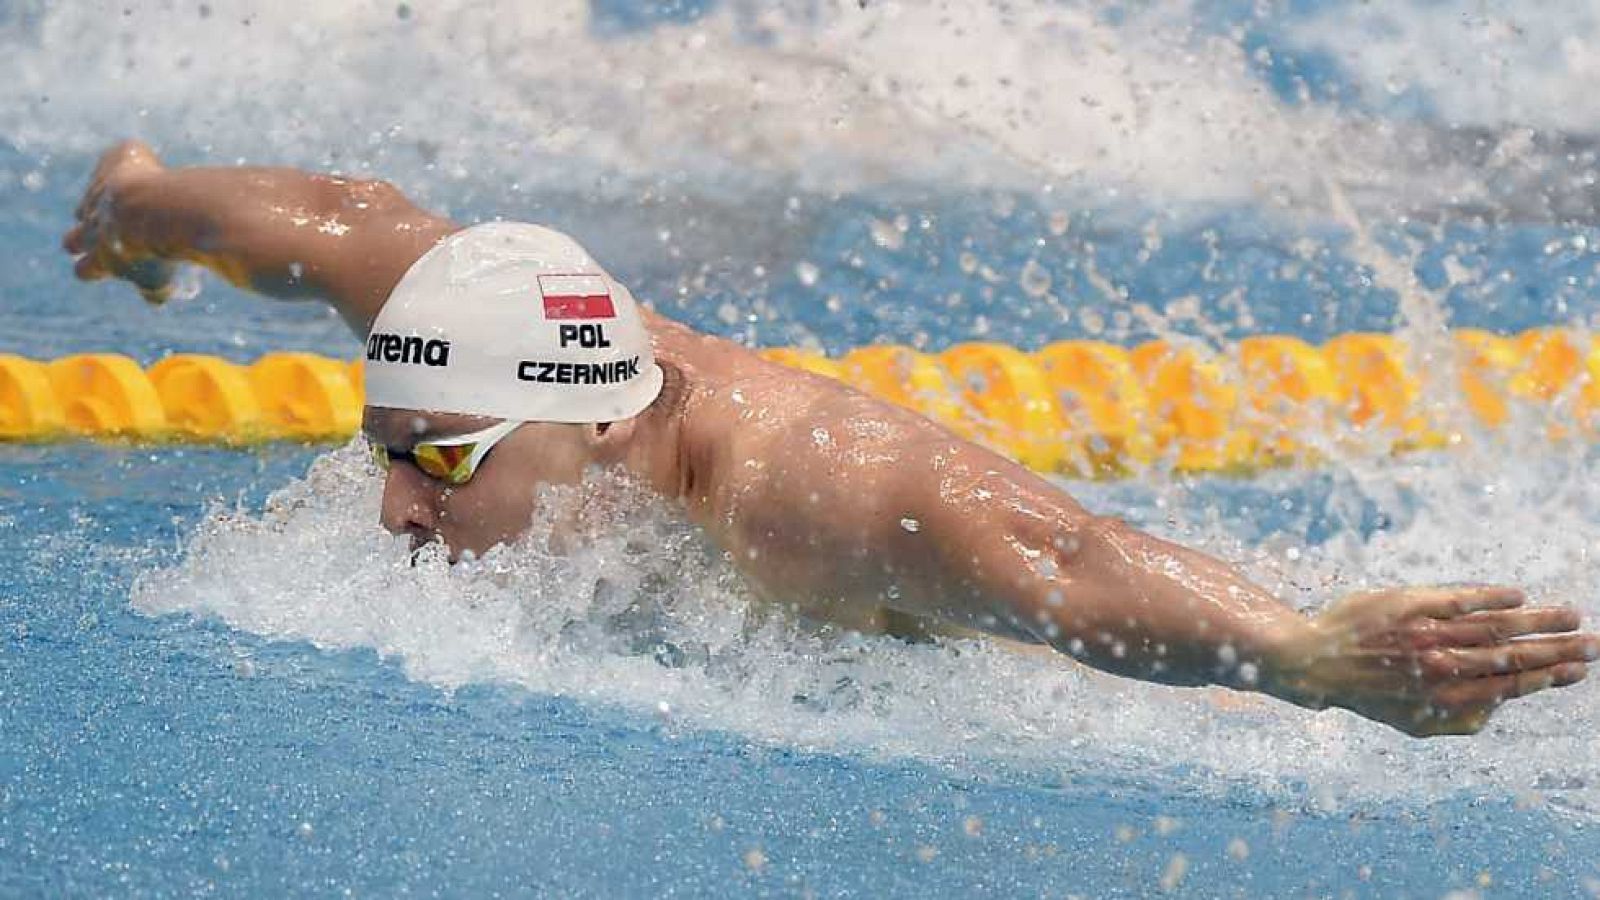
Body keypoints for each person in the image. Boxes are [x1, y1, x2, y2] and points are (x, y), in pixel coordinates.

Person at [64, 140, 1598, 738]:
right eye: (388, 449)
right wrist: (136, 209)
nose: (392, 508)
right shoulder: (467, 332)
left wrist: (1312, 658)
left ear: (594, 428)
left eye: (440, 461)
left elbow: (1061, 555)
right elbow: (343, 224)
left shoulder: (810, 497)